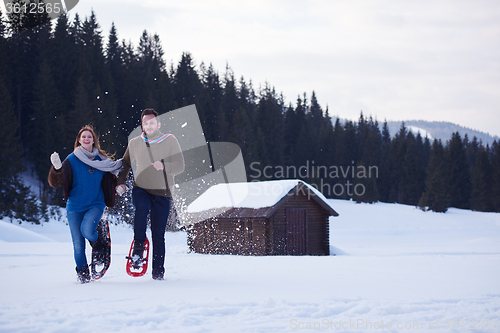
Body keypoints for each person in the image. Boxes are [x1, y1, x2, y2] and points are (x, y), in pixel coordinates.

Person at [116, 108, 185, 280]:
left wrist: (165, 166)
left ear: (158, 124)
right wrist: (120, 182)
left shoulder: (169, 140)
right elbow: (125, 164)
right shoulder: (134, 143)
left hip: (163, 193)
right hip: (141, 188)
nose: (149, 125)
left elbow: (180, 165)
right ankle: (138, 247)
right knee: (141, 208)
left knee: (158, 234)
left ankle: (158, 272)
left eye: (152, 122)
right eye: (145, 122)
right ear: (142, 125)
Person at [48, 125, 122, 283]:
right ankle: (83, 276)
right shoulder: (71, 159)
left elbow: (113, 176)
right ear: (79, 141)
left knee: (87, 230)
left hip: (96, 202)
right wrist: (56, 168)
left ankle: (100, 245)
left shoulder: (102, 161)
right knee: (78, 245)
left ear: (93, 140)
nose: (87, 139)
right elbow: (56, 182)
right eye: (84, 137)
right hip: (74, 206)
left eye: (89, 136)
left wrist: (119, 187)